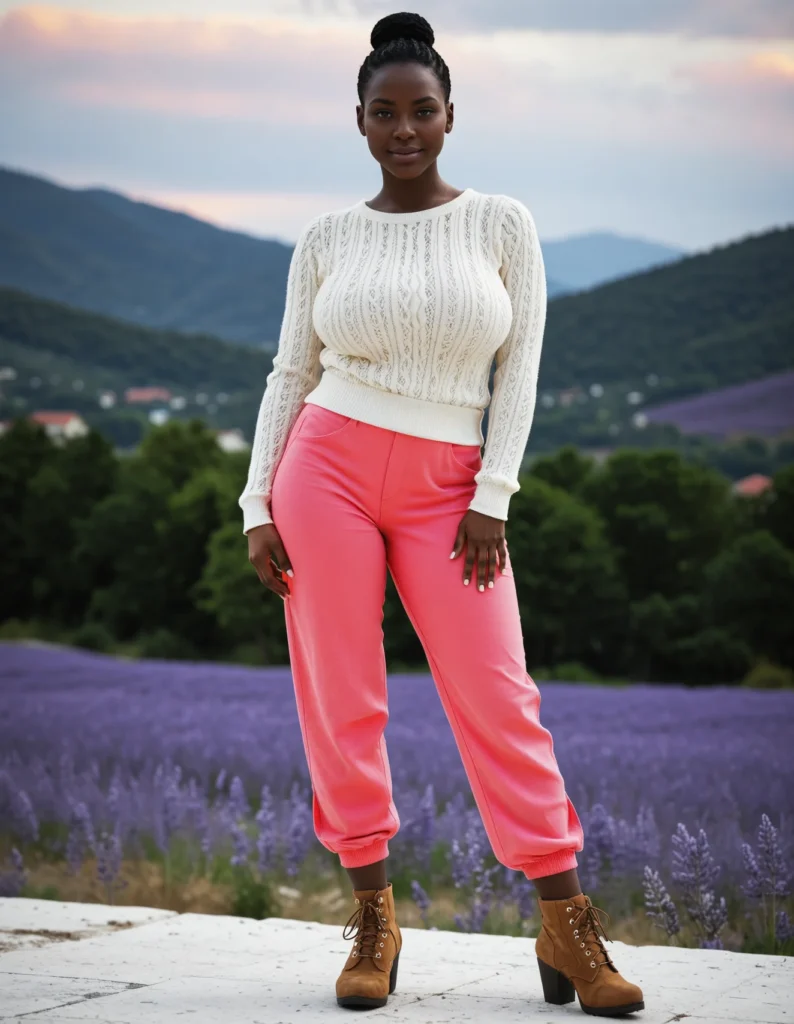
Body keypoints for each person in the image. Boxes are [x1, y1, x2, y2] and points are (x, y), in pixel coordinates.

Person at [239, 10, 644, 1017]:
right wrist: (255, 502)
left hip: (453, 491)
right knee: (341, 694)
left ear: (450, 115)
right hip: (323, 469)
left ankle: (566, 924)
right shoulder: (326, 237)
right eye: (384, 113)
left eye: (421, 110)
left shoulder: (501, 222)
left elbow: (521, 369)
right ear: (360, 123)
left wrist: (492, 495)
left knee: (499, 694)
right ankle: (373, 920)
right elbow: (291, 372)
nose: (404, 129)